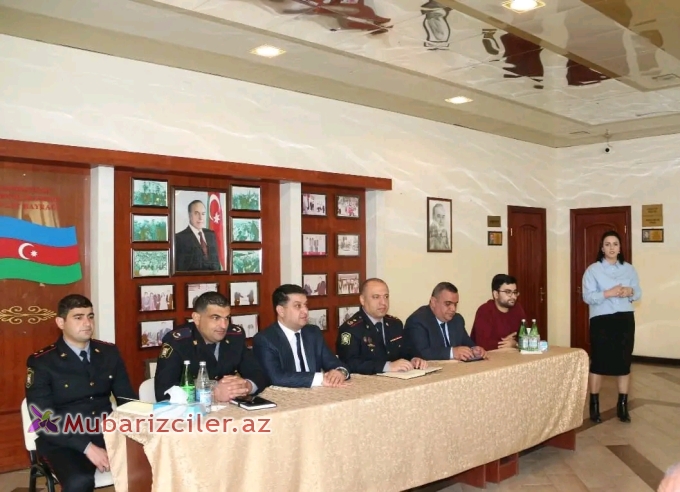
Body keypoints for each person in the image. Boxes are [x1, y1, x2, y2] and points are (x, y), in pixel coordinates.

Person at [25, 294, 136, 492]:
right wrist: (87, 447)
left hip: (107, 433)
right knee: (79, 481)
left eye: (90, 316)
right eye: (78, 317)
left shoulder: (109, 353)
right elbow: (43, 419)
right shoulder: (42, 362)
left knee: (155, 462)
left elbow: (127, 400)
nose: (87, 323)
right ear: (61, 322)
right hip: (63, 441)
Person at [154, 291, 269, 402]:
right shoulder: (177, 342)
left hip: (229, 409)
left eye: (227, 318)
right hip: (193, 412)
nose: (223, 325)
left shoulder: (235, 336)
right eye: (215, 318)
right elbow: (163, 392)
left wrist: (246, 386)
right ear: (197, 318)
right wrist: (213, 393)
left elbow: (258, 373)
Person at [582, 230, 641, 424]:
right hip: (602, 320)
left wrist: (629, 291)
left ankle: (622, 405)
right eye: (607, 244)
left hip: (624, 319)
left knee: (624, 363)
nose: (611, 248)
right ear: (602, 248)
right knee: (599, 362)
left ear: (620, 248)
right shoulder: (593, 270)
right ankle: (594, 405)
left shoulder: (629, 269)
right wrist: (608, 293)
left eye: (615, 244)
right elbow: (587, 297)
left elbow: (638, 293)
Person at [253, 284, 350, 388]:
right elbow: (276, 377)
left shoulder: (313, 333)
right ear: (281, 311)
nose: (305, 311)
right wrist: (320, 379)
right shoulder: (265, 339)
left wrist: (340, 372)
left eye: (305, 305)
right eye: (298, 306)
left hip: (317, 394)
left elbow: (333, 362)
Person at [336, 278, 427, 374]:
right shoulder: (350, 329)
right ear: (362, 300)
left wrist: (414, 358)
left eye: (386, 296)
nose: (383, 302)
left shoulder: (395, 324)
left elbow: (407, 350)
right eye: (376, 297)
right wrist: (386, 367)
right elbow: (349, 363)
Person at [404, 282, 487, 361]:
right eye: (448, 304)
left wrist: (475, 349)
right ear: (433, 302)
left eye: (455, 304)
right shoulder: (417, 321)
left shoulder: (457, 320)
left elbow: (468, 344)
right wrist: (452, 352)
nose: (453, 309)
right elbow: (421, 353)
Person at [470, 274, 526, 351]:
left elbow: (526, 336)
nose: (513, 296)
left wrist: (514, 343)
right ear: (496, 294)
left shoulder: (517, 308)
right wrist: (506, 344)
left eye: (515, 292)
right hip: (488, 356)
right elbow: (482, 344)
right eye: (508, 292)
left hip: (511, 354)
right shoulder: (485, 310)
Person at [174, 199, 221, 272]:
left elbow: (217, 263)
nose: (200, 218)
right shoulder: (180, 238)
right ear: (189, 215)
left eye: (203, 214)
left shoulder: (211, 235)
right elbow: (180, 269)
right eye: (196, 213)